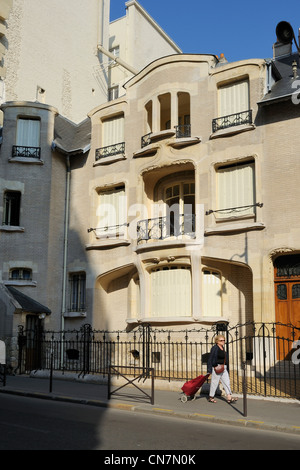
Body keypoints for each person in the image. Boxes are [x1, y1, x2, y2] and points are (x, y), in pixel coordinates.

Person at [207, 334, 237, 404]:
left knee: (227, 381)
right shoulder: (215, 348)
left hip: (223, 367)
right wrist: (211, 368)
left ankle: (229, 397)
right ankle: (211, 397)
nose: (223, 341)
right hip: (217, 367)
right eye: (221, 340)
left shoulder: (222, 348)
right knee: (215, 382)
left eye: (224, 340)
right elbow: (211, 358)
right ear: (217, 341)